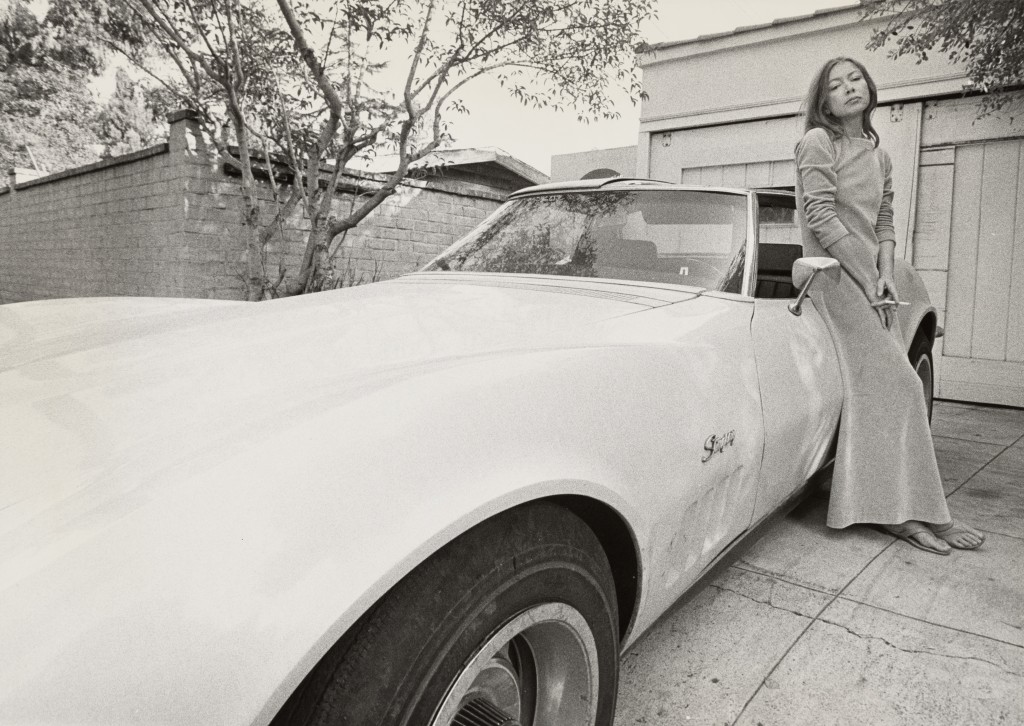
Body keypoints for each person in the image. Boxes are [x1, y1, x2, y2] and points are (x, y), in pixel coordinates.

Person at [794, 57, 984, 555]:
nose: (848, 88)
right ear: (824, 102)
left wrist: (884, 274)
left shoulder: (878, 156)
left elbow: (884, 223)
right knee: (903, 384)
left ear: (869, 88)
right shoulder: (818, 142)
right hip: (830, 277)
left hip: (870, 281)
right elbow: (820, 217)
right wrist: (866, 279)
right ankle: (916, 514)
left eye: (855, 78)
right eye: (835, 85)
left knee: (886, 392)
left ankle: (899, 507)